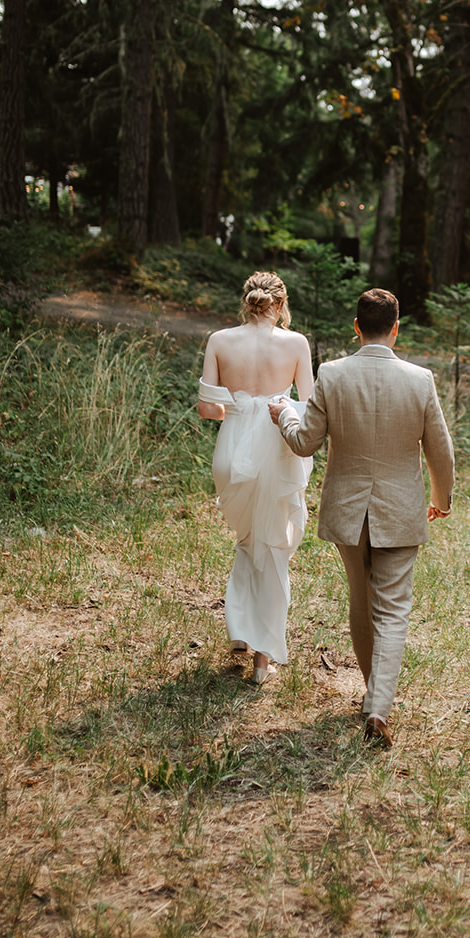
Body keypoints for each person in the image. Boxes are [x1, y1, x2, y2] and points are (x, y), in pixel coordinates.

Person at [269, 287, 454, 747]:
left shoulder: (331, 374)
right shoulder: (420, 379)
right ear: (396, 329)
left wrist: (282, 416)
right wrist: (442, 498)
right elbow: (441, 450)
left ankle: (374, 695)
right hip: (401, 507)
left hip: (349, 508)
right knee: (392, 609)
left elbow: (304, 442)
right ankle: (378, 706)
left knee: (359, 600)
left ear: (356, 328)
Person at [198, 272, 314, 684]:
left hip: (231, 451)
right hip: (277, 446)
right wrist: (276, 408)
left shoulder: (219, 340)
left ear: (246, 302)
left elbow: (207, 408)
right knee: (273, 546)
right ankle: (263, 657)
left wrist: (239, 409)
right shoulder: (296, 343)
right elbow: (309, 407)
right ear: (280, 305)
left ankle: (241, 631)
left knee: (249, 541)